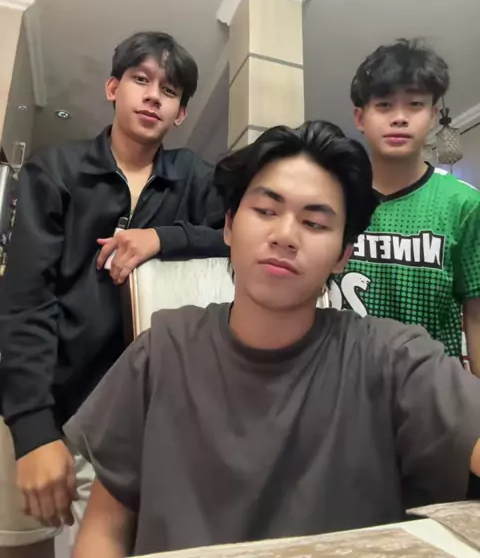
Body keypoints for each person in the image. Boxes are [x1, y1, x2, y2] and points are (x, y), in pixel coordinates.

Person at [65, 121, 480, 558]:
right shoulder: (161, 352)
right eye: (266, 211)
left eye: (314, 222)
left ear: (343, 255)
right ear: (229, 226)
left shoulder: (392, 359)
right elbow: (105, 531)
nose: (285, 236)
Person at [0, 31, 228, 558]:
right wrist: (34, 430)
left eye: (168, 91)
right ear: (112, 88)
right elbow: (26, 301)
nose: (152, 97)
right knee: (24, 545)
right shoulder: (56, 171)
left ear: (180, 113)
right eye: (140, 80)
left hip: (140, 420)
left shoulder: (195, 179)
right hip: (47, 403)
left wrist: (164, 237)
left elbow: (244, 234)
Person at [329, 39, 480, 376]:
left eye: (414, 104)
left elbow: (476, 315)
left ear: (433, 115)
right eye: (384, 105)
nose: (399, 118)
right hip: (343, 382)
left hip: (433, 390)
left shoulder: (464, 205)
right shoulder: (333, 198)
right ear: (360, 117)